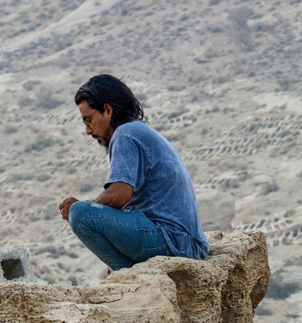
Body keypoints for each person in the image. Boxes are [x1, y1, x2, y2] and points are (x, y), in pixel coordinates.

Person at [59, 74, 209, 271]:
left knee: (80, 213)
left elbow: (118, 196)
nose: (88, 131)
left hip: (172, 241)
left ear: (108, 110)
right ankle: (128, 272)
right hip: (186, 243)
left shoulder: (125, 134)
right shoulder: (137, 131)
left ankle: (127, 273)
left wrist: (83, 208)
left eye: (88, 121)